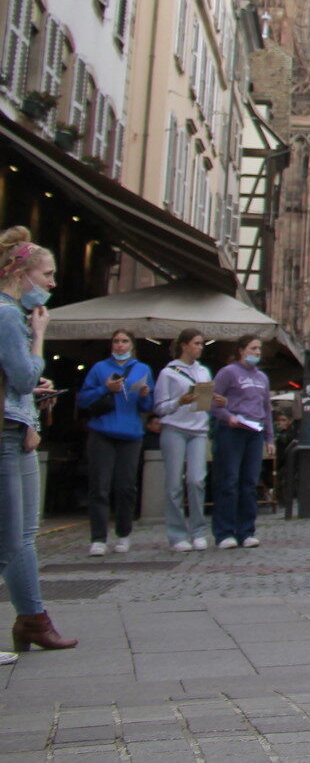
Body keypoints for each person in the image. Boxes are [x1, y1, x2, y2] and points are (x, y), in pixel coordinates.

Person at [0, 228, 75, 656]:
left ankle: (32, 620)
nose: (51, 283)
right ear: (21, 273)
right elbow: (24, 376)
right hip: (8, 430)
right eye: (46, 274)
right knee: (12, 539)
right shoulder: (10, 315)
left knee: (24, 533)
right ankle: (33, 619)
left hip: (18, 424)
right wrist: (40, 335)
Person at [78, 329, 153, 556]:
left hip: (130, 434)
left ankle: (123, 534)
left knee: (125, 486)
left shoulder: (143, 369)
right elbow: (83, 399)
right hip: (103, 431)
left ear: (132, 345)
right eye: (116, 341)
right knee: (99, 486)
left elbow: (148, 406)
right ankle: (99, 538)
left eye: (124, 341)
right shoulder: (100, 368)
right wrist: (105, 388)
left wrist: (144, 395)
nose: (120, 345)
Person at [209, 334, 272, 549]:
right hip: (232, 431)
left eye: (259, 349)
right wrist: (228, 417)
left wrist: (269, 437)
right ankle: (224, 532)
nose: (257, 352)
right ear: (241, 350)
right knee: (229, 481)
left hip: (254, 432)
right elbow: (213, 401)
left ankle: (246, 530)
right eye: (253, 348)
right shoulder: (228, 373)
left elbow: (266, 409)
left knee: (249, 483)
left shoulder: (262, 377)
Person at [153, 329, 214, 552]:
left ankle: (198, 531)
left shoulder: (204, 372)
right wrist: (179, 401)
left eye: (202, 343)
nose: (201, 347)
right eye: (197, 343)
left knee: (197, 480)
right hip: (174, 429)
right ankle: (177, 534)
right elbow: (159, 408)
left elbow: (204, 407)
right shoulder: (168, 373)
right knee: (174, 484)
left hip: (198, 430)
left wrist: (212, 401)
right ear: (184, 345)